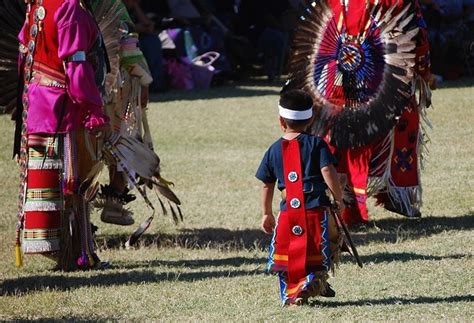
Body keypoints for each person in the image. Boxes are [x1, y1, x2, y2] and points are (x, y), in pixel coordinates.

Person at [15, 0, 110, 270]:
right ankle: (78, 256)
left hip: (38, 104)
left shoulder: (38, 4)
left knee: (62, 184)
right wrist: (94, 110)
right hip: (64, 106)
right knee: (73, 183)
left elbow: (25, 53)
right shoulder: (70, 7)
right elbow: (75, 65)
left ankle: (75, 253)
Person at [256, 90, 343, 306]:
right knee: (326, 242)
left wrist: (266, 213)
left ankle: (294, 293)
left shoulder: (273, 150)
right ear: (311, 119)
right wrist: (338, 198)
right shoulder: (317, 144)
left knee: (288, 252)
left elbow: (266, 185)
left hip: (288, 212)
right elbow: (328, 171)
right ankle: (315, 282)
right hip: (316, 208)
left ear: (280, 120)